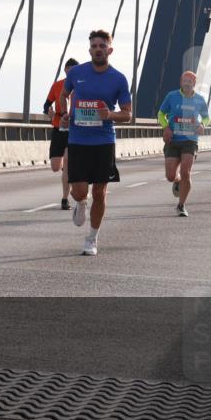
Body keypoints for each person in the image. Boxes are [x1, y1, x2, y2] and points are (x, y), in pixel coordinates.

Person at [58, 30, 132, 256]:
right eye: (94, 46)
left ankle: (91, 238)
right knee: (79, 191)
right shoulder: (77, 73)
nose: (98, 49)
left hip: (104, 141)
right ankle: (81, 203)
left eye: (102, 46)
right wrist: (64, 113)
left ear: (110, 49)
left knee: (100, 192)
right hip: (78, 139)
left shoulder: (118, 78)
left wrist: (110, 115)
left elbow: (127, 114)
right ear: (89, 50)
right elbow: (63, 95)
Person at [158, 71, 210, 217]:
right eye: (185, 81)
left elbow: (206, 118)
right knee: (170, 176)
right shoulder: (172, 96)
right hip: (173, 140)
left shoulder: (199, 99)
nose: (187, 84)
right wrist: (166, 127)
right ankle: (177, 180)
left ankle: (181, 205)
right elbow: (161, 114)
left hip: (190, 140)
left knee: (186, 171)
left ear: (194, 83)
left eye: (190, 81)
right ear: (181, 82)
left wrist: (203, 125)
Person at [44, 58, 79, 210]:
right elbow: (46, 104)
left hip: (74, 130)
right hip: (58, 128)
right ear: (65, 70)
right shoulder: (57, 85)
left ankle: (65, 199)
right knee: (55, 167)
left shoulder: (82, 86)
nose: (72, 73)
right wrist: (49, 111)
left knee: (68, 162)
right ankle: (68, 171)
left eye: (75, 70)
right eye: (69, 70)